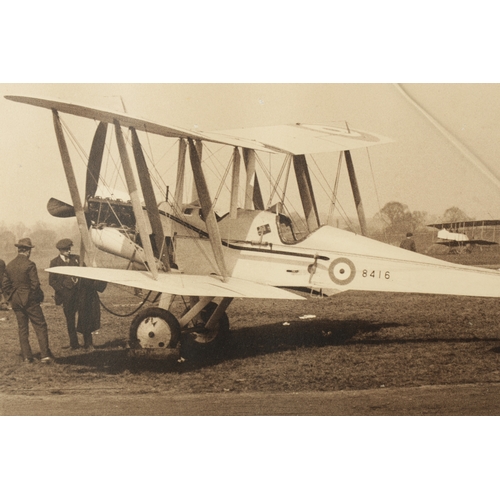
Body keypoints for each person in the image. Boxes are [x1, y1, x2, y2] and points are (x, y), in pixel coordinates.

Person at [2, 238, 53, 363]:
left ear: (19, 250)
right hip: (29, 300)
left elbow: (5, 285)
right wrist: (35, 298)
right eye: (29, 250)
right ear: (27, 251)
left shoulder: (10, 265)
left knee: (22, 328)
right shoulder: (30, 264)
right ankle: (45, 355)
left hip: (16, 301)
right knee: (40, 325)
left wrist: (11, 297)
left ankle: (26, 356)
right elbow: (35, 285)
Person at [49, 238, 82, 349]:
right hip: (66, 296)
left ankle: (88, 342)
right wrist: (62, 291)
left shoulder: (77, 259)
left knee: (84, 316)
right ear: (60, 250)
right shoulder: (54, 262)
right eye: (66, 249)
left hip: (78, 293)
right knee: (70, 319)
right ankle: (74, 343)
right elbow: (52, 281)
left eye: (69, 249)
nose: (69, 251)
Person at [76, 278, 107, 350]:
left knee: (90, 318)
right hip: (83, 296)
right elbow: (97, 286)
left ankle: (88, 343)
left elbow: (99, 287)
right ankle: (87, 343)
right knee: (85, 318)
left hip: (89, 296)